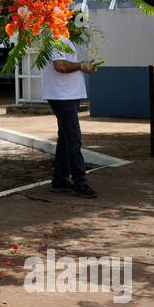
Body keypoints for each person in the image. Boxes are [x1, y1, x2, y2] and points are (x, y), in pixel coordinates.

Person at [41, 41, 97, 198]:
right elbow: (60, 66)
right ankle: (80, 183)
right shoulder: (55, 39)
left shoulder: (63, 38)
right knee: (73, 139)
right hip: (63, 96)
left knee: (66, 139)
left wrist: (83, 66)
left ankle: (60, 180)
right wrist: (81, 65)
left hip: (67, 95)